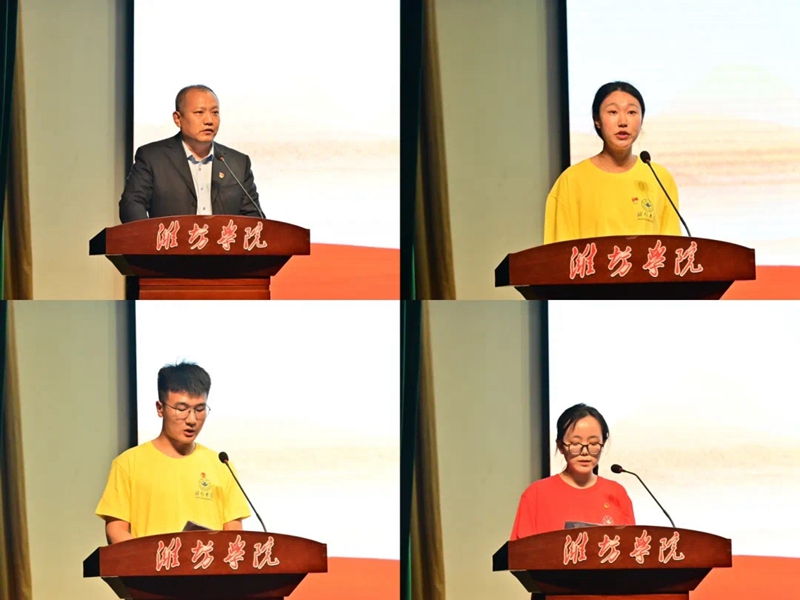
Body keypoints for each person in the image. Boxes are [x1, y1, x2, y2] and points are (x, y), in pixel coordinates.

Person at [96, 362, 250, 543]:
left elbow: (234, 536)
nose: (191, 419)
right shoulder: (128, 463)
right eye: (181, 409)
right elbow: (116, 531)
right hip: (148, 562)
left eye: (200, 409)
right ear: (160, 408)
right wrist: (151, 559)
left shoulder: (221, 465)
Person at [543, 81, 682, 244]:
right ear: (597, 120)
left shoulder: (660, 178)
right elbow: (558, 254)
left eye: (631, 112)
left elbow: (672, 249)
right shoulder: (571, 181)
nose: (623, 121)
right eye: (613, 112)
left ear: (641, 119)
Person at [119, 85, 264, 223]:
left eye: (215, 113)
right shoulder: (153, 158)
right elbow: (131, 204)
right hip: (170, 241)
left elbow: (253, 216)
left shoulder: (237, 163)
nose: (209, 121)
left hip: (223, 241)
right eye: (199, 113)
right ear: (178, 119)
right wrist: (149, 237)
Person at [510, 403, 634, 539]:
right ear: (560, 446)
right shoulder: (536, 495)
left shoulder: (616, 494)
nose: (585, 452)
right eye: (575, 444)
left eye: (593, 443)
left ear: (602, 444)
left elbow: (629, 546)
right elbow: (520, 551)